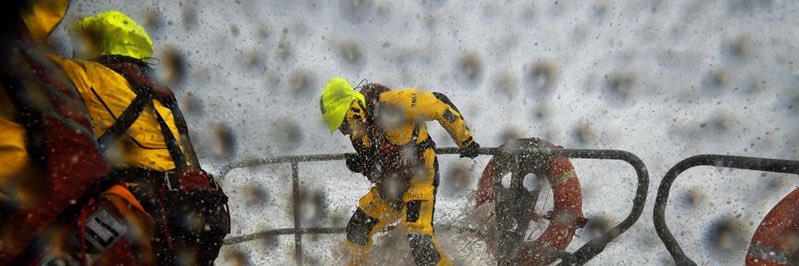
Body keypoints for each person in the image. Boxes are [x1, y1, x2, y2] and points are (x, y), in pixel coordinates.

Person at [49, 10, 230, 265]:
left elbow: (24, 63)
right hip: (180, 223)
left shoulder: (85, 75)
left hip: (135, 219)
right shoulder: (163, 99)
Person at [0, 1, 155, 265]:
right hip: (153, 220)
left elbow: (39, 68)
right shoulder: (161, 99)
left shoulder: (92, 76)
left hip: (97, 208)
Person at [319, 77, 480, 265]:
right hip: (389, 186)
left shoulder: (394, 102)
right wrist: (362, 165)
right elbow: (378, 165)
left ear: (352, 107)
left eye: (342, 123)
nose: (343, 131)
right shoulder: (360, 133)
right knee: (357, 230)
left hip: (419, 180)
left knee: (420, 243)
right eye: (339, 127)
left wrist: (465, 141)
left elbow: (438, 103)